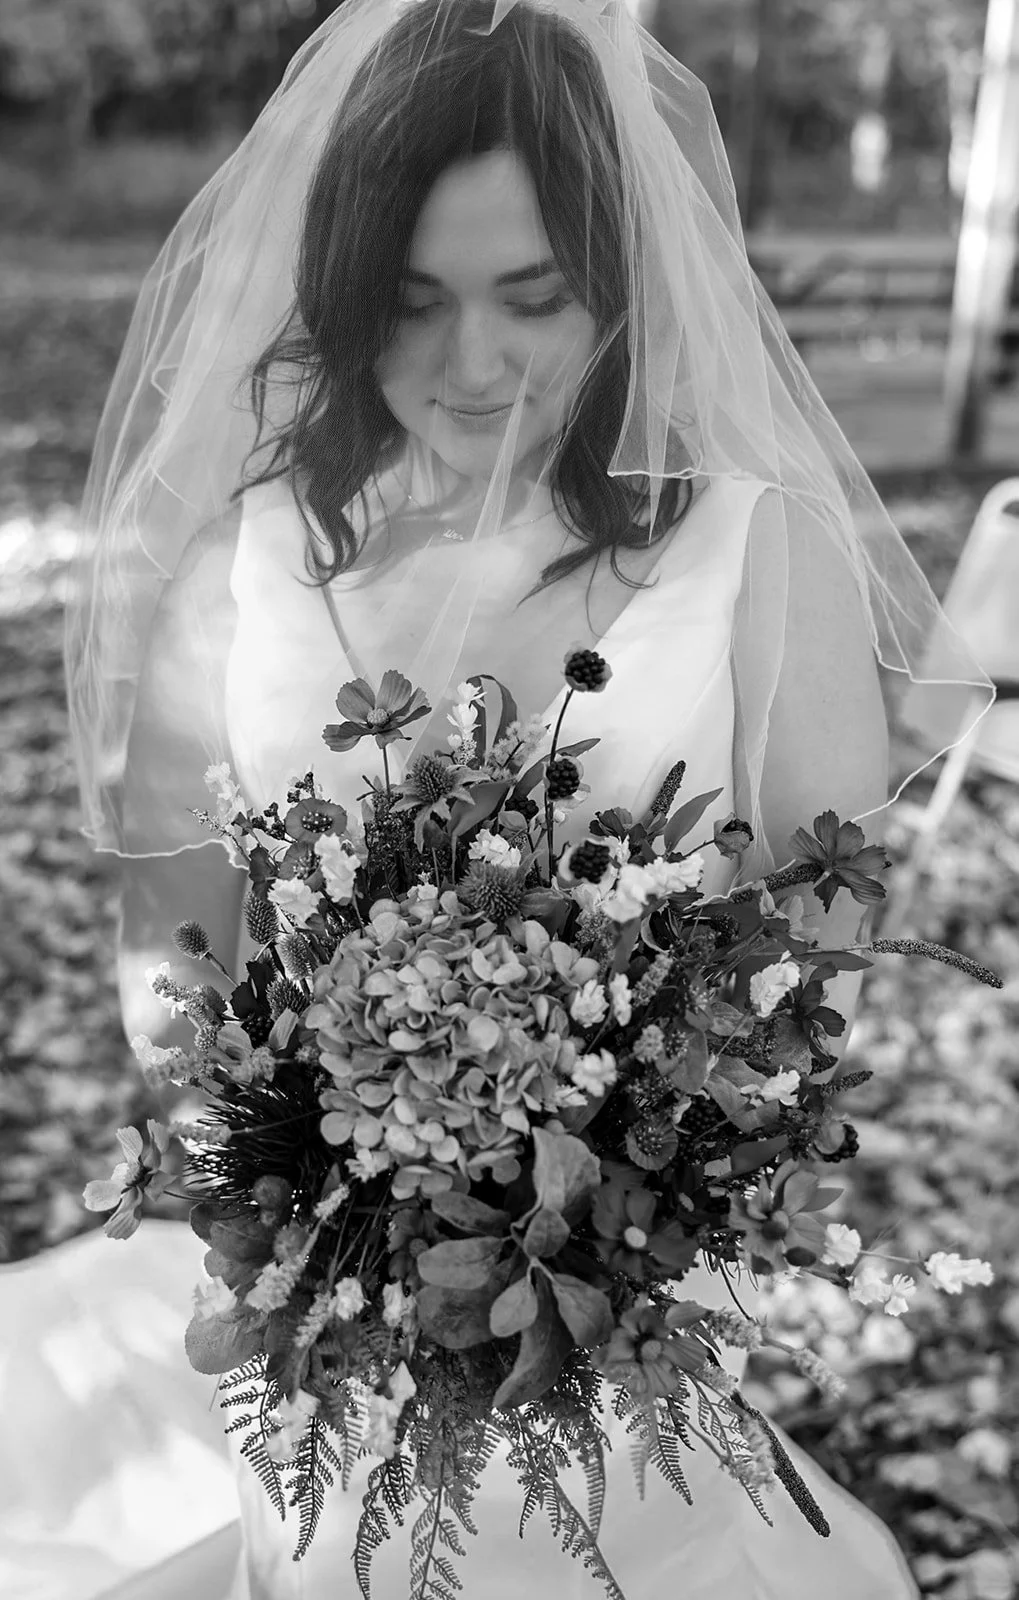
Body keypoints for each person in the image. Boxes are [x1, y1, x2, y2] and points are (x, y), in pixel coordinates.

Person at [7, 2, 993, 1598]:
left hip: (623, 1298)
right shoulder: (234, 575)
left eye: (531, 298)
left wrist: (602, 1174)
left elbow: (816, 949)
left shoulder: (760, 554)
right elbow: (172, 957)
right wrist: (321, 1207)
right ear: (336, 298)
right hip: (323, 1312)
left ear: (619, 280)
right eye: (409, 305)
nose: (471, 367)